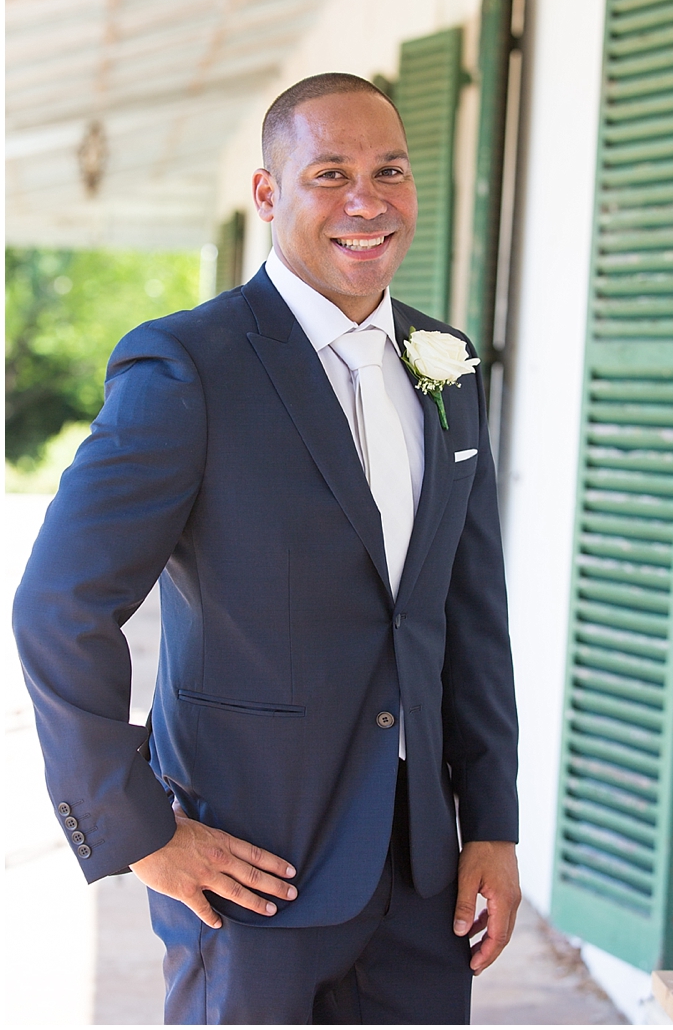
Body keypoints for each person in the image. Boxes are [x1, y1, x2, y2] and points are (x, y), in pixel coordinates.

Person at [15, 73, 521, 1024]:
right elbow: (58, 604)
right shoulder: (187, 365)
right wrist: (140, 830)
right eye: (329, 173)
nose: (367, 201)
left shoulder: (444, 364)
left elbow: (468, 608)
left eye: (389, 171)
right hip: (252, 873)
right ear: (266, 195)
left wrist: (491, 822)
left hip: (423, 876)